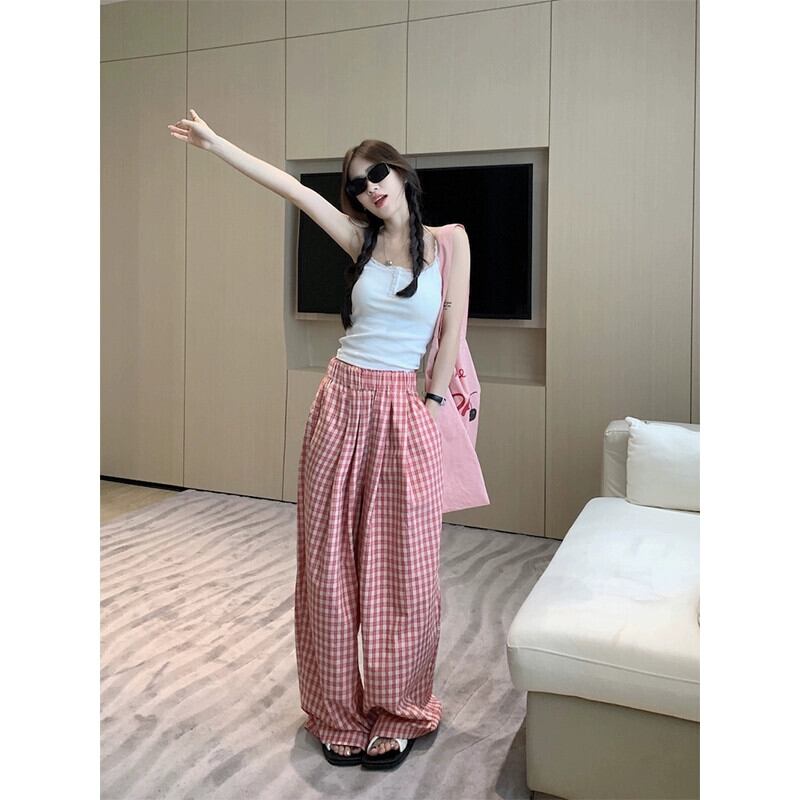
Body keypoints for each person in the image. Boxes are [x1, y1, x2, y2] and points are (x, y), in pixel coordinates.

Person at [167, 110, 471, 770]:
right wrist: (217, 144)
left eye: (377, 174)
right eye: (357, 184)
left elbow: (451, 332)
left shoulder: (450, 242)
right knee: (328, 566)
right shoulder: (358, 238)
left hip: (406, 408)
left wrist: (430, 405)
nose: (370, 189)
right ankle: (336, 712)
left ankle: (400, 710)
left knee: (406, 572)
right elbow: (291, 188)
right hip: (341, 401)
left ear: (401, 172)